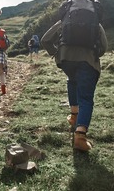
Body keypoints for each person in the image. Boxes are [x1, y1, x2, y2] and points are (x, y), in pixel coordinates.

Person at [41, 13, 108, 151]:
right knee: (86, 98)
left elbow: (45, 40)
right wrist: (93, 54)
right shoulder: (95, 23)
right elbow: (104, 47)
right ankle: (80, 137)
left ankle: (74, 117)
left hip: (66, 60)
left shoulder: (64, 21)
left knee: (72, 80)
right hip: (87, 61)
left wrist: (57, 53)